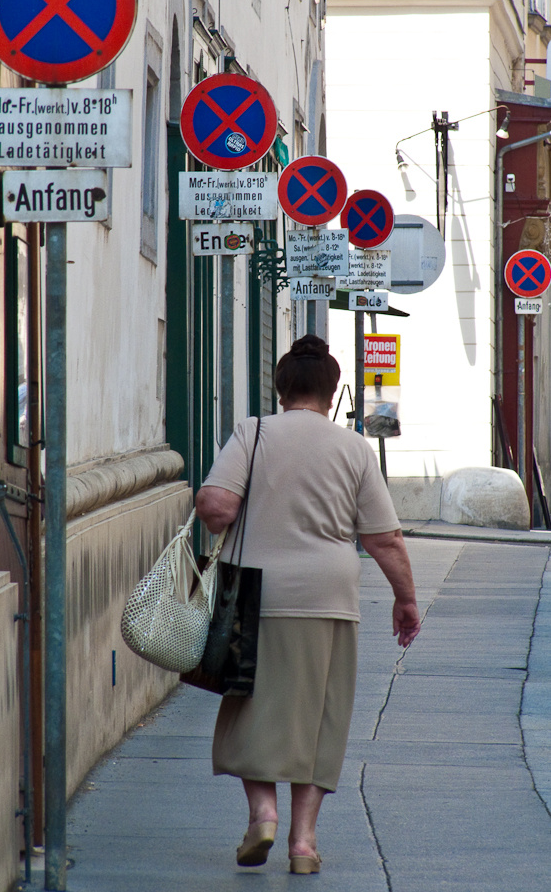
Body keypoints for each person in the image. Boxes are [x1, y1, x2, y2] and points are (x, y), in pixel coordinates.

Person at [195, 333, 420, 875]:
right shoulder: (354, 448)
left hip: (257, 596)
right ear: (332, 388)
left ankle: (262, 814)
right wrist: (406, 600)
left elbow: (216, 506)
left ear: (280, 387)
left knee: (251, 705)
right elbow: (385, 538)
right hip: (330, 598)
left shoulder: (252, 434)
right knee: (321, 716)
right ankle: (303, 842)